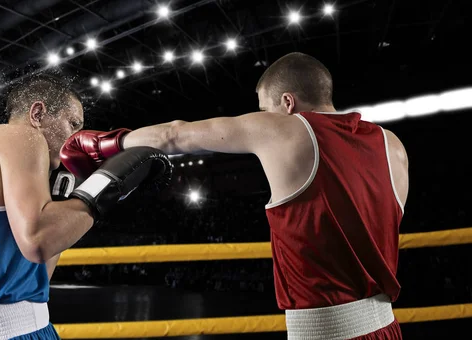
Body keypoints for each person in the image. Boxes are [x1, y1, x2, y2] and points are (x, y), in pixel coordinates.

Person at [61, 52, 408, 339]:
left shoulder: (286, 127)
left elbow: (174, 135)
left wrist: (104, 143)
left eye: (264, 109)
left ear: (287, 102)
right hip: (387, 327)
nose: (263, 118)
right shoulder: (392, 145)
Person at [0, 72, 172, 340]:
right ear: (38, 114)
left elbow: (39, 278)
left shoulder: (2, 169)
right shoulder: (19, 136)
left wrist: (66, 202)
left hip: (29, 328)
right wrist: (106, 187)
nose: (76, 139)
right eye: (73, 124)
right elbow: (38, 241)